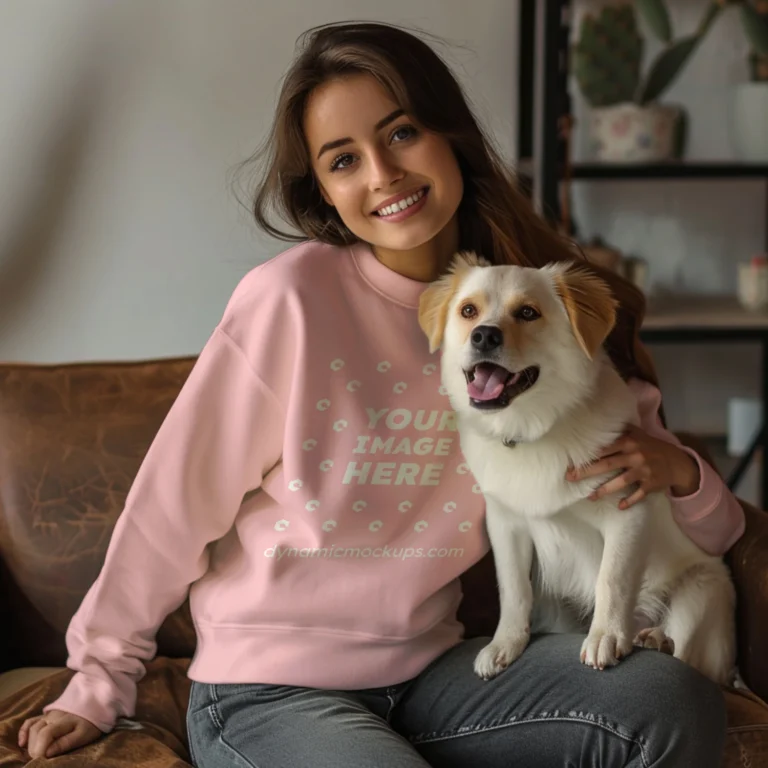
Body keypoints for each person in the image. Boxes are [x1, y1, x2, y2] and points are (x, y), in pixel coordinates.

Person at [18, 20, 745, 767]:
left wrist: (682, 476)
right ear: (327, 193)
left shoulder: (530, 309)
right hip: (269, 691)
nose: (382, 174)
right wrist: (98, 680)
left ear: (449, 134)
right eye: (343, 160)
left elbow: (696, 526)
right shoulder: (290, 302)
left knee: (665, 701)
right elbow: (171, 504)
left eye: (401, 134)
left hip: (434, 676)